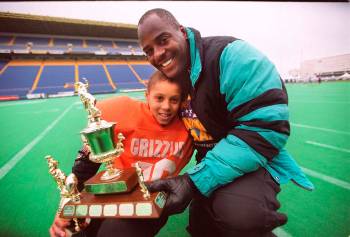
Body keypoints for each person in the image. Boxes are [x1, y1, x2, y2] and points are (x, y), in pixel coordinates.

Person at [137, 8, 315, 237]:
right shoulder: (174, 76)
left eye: (163, 40)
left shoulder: (232, 56)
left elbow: (266, 128)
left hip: (254, 161)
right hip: (211, 163)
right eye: (148, 51)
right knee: (202, 229)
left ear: (181, 31)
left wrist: (194, 182)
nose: (158, 54)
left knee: (240, 216)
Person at [49, 70, 193, 237]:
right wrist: (67, 205)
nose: (166, 106)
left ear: (183, 101)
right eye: (159, 98)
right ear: (147, 96)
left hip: (151, 201)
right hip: (113, 192)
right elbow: (87, 161)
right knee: (74, 231)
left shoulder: (190, 126)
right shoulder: (124, 110)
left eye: (174, 100)